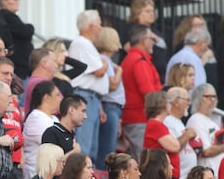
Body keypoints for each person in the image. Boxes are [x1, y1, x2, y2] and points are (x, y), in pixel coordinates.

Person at [69, 10, 108, 161]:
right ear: (91, 26)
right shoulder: (82, 43)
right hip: (85, 96)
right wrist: (104, 63)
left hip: (92, 98)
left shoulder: (87, 44)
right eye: (99, 24)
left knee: (91, 149)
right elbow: (99, 71)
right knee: (84, 148)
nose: (100, 28)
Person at [121, 24, 162, 160]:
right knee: (144, 161)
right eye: (152, 39)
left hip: (134, 118)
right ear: (144, 40)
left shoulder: (130, 59)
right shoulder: (139, 61)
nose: (153, 43)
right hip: (140, 119)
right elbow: (149, 94)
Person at [93, 27, 125, 170]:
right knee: (107, 151)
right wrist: (120, 72)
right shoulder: (104, 59)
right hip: (110, 106)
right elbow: (112, 84)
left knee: (108, 149)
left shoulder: (106, 60)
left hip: (114, 108)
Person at [143, 91, 185, 179]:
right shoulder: (156, 125)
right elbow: (175, 146)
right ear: (161, 105)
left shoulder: (158, 125)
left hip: (166, 175)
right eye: (169, 103)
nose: (171, 106)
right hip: (162, 175)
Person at [22, 80, 62, 179]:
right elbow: (56, 146)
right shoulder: (36, 118)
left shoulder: (54, 119)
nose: (61, 98)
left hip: (49, 176)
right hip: (35, 175)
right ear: (47, 98)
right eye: (57, 95)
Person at [165, 87, 199, 179]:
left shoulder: (178, 121)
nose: (189, 104)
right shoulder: (167, 121)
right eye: (187, 100)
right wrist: (187, 135)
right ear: (176, 102)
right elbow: (173, 146)